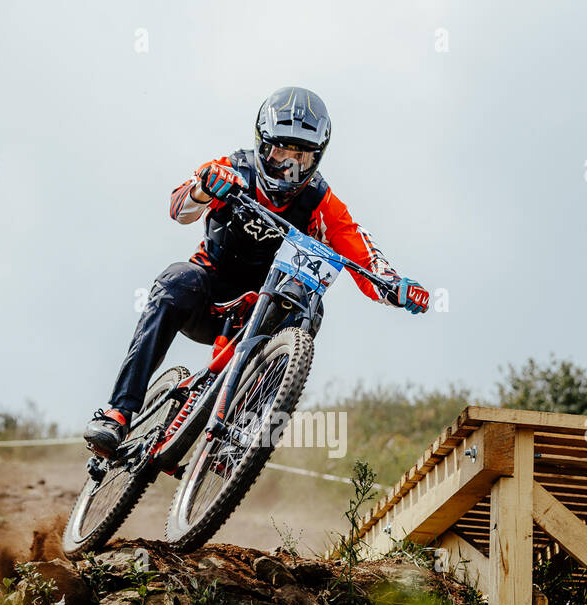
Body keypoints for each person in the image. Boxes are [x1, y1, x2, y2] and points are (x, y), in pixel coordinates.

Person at [84, 86, 430, 457]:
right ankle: (118, 412)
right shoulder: (235, 169)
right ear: (262, 143)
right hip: (207, 299)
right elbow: (178, 207)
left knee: (308, 310)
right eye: (281, 151)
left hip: (261, 316)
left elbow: (358, 250)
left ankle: (242, 434)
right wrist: (204, 188)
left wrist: (395, 286)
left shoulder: (320, 202)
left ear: (317, 158)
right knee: (175, 279)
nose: (288, 166)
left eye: (301, 156)